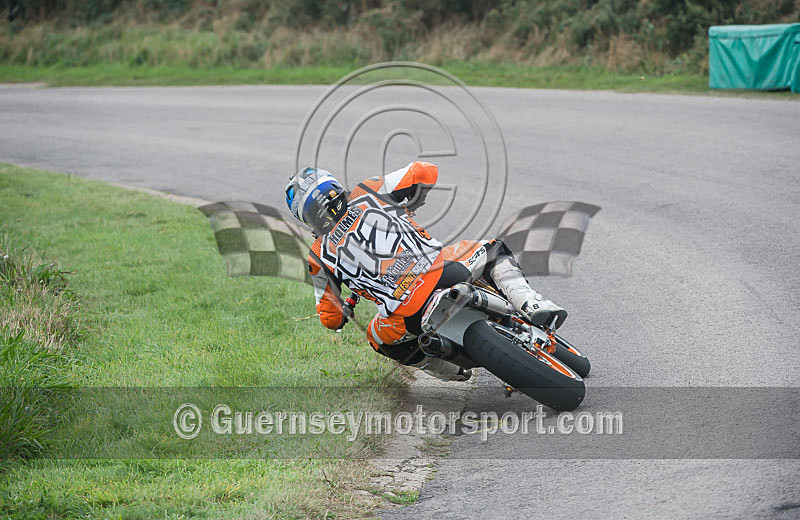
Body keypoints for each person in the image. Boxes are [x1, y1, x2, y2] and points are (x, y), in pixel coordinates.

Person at [284, 162, 566, 381]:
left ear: (306, 218)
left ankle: (444, 369)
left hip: (407, 316)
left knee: (376, 340)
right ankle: (531, 303)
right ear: (335, 186)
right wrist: (413, 198)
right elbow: (425, 171)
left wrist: (343, 311)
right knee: (493, 248)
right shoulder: (369, 190)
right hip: (445, 272)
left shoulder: (318, 255)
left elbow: (330, 319)